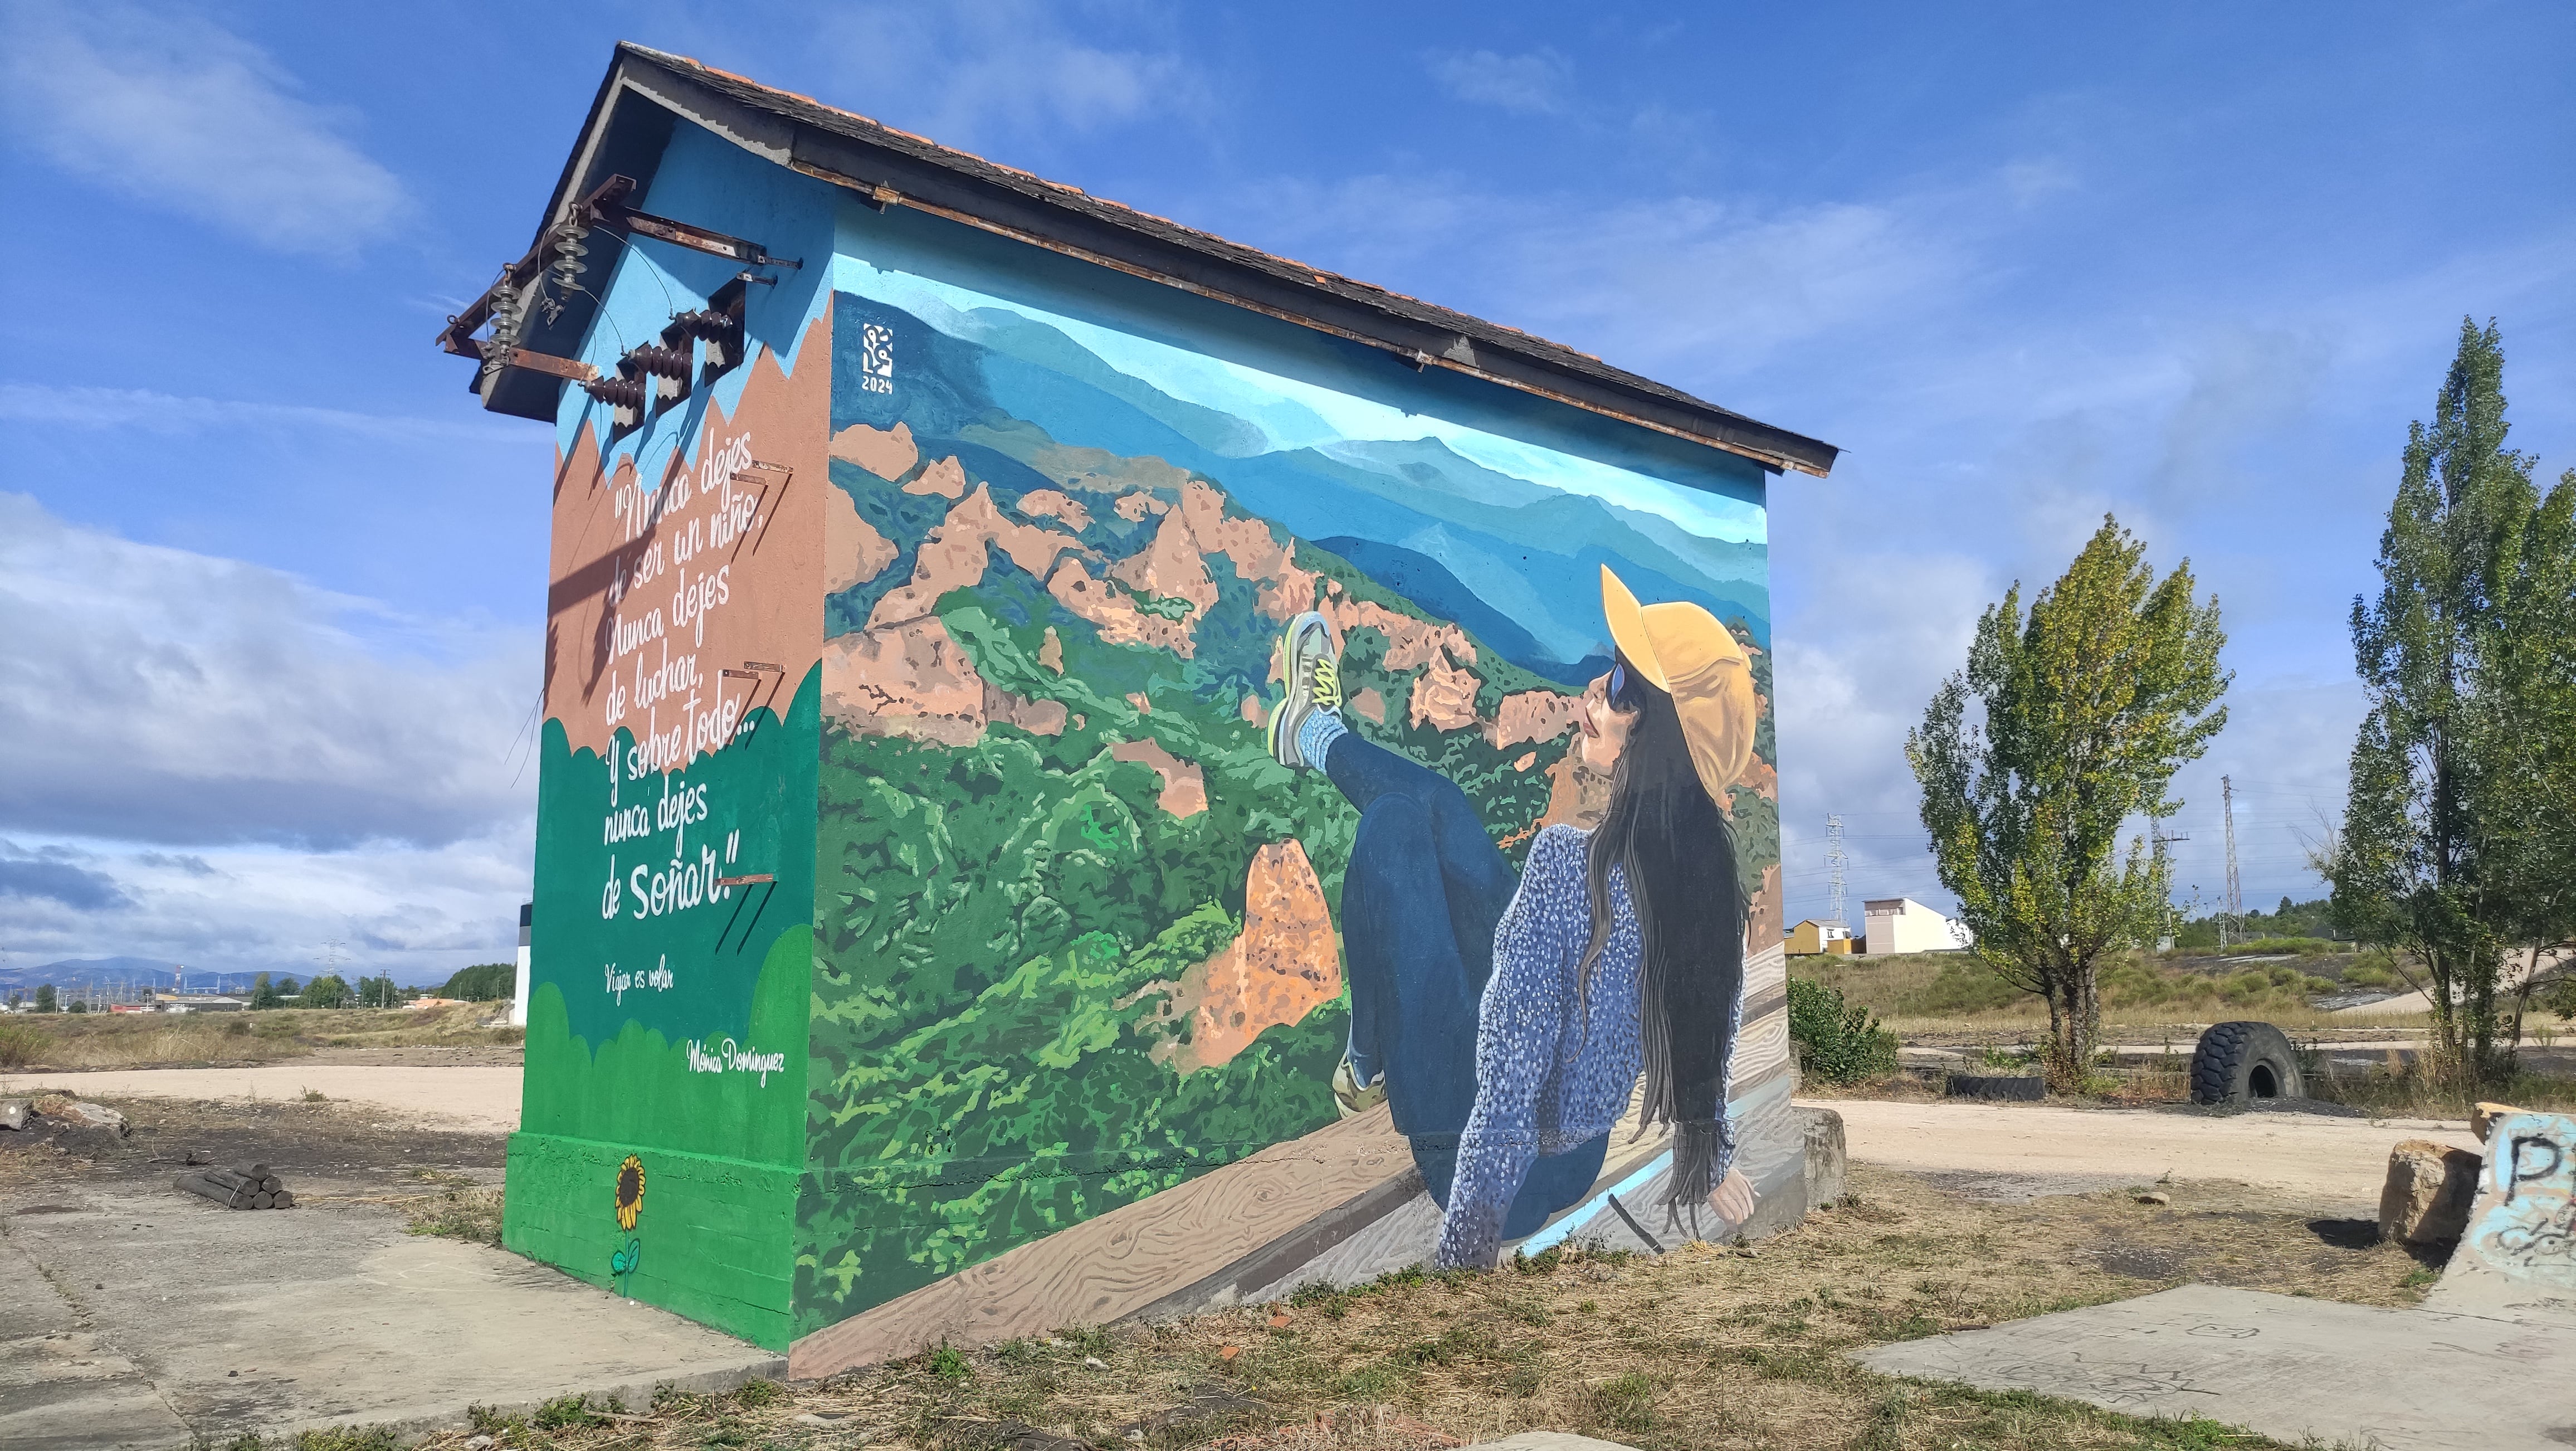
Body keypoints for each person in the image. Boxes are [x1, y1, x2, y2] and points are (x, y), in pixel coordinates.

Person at [1268, 566, 1760, 1269]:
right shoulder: (1706, 890)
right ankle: (1311, 735)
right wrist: (1709, 1160)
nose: (1594, 691)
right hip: (1572, 1160)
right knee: (1440, 805)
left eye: (1620, 687)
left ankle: (1364, 1061)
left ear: (1657, 742)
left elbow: (1510, 1073)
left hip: (1474, 1152)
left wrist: (1467, 1247)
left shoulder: (1570, 868)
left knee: (1393, 829)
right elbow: (1701, 1038)